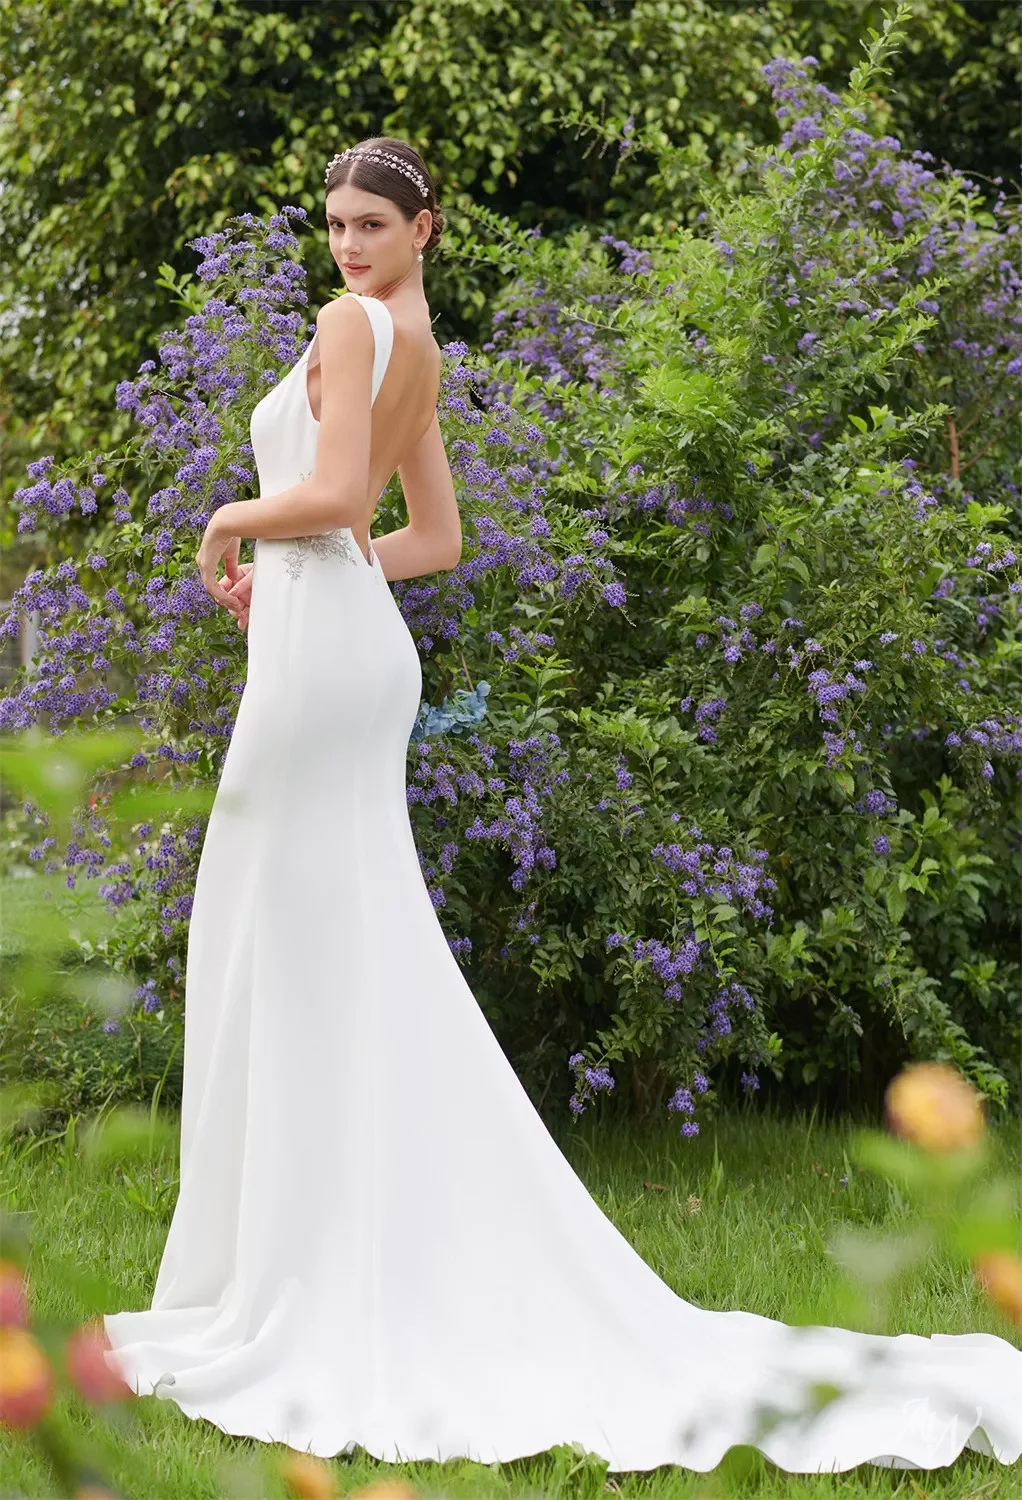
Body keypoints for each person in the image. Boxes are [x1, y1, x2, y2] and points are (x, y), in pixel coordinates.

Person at [102, 137, 1022, 1475]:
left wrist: (230, 525)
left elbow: (349, 502)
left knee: (291, 940)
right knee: (315, 944)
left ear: (424, 227)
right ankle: (307, 1241)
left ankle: (298, 1266)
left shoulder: (353, 326)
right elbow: (425, 540)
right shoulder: (410, 336)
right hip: (342, 648)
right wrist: (314, 557)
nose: (347, 246)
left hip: (324, 670)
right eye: (334, 225)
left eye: (370, 223)